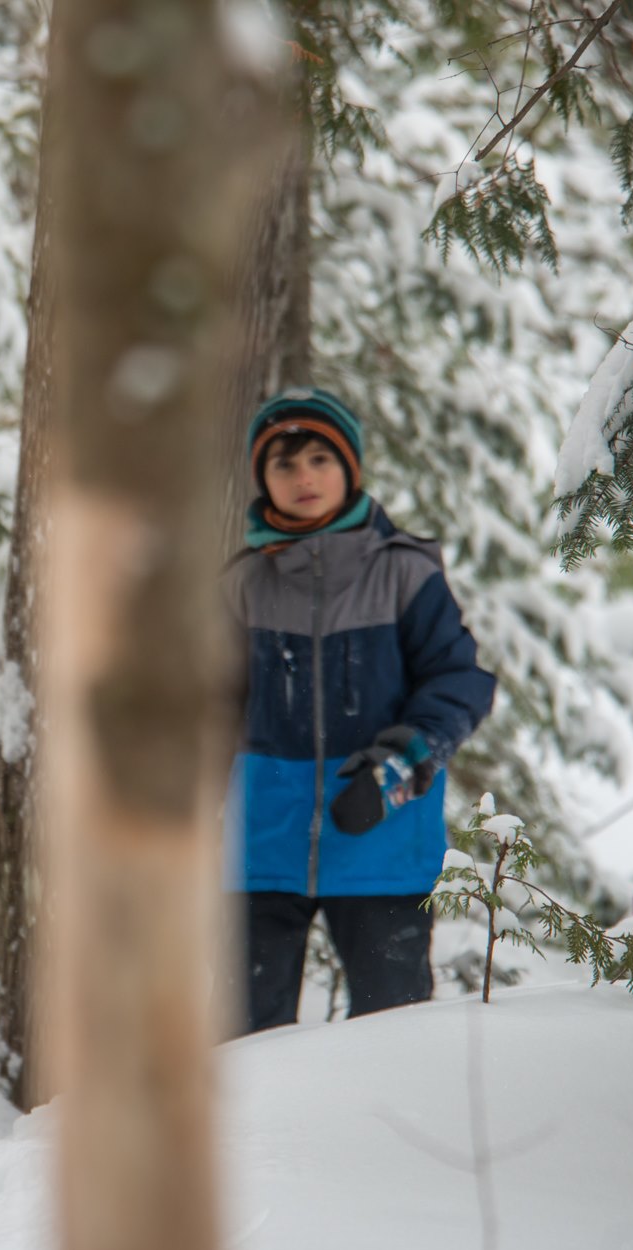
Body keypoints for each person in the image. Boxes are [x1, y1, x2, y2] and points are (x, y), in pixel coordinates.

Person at [225, 387, 497, 1032]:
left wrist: (398, 764)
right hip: (259, 844)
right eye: (284, 464)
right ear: (262, 479)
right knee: (241, 1045)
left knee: (391, 1036)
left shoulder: (405, 572)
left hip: (380, 835)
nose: (304, 477)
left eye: (320, 458)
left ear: (351, 468)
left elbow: (459, 680)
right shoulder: (239, 584)